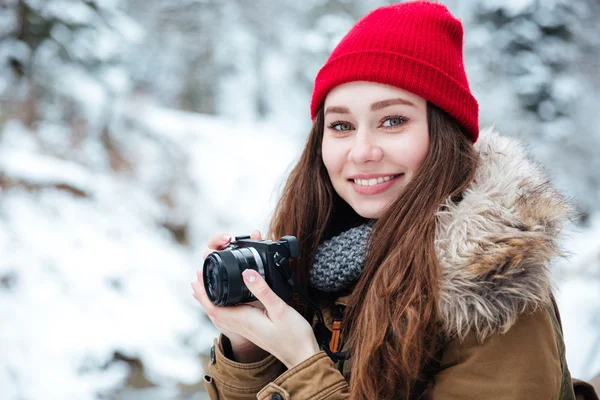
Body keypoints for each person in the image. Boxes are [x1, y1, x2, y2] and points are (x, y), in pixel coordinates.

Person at [191, 2, 596, 399]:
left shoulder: (490, 291)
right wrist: (249, 346)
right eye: (342, 125)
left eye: (392, 121)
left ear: (444, 136)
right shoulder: (317, 264)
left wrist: (303, 362)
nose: (363, 151)